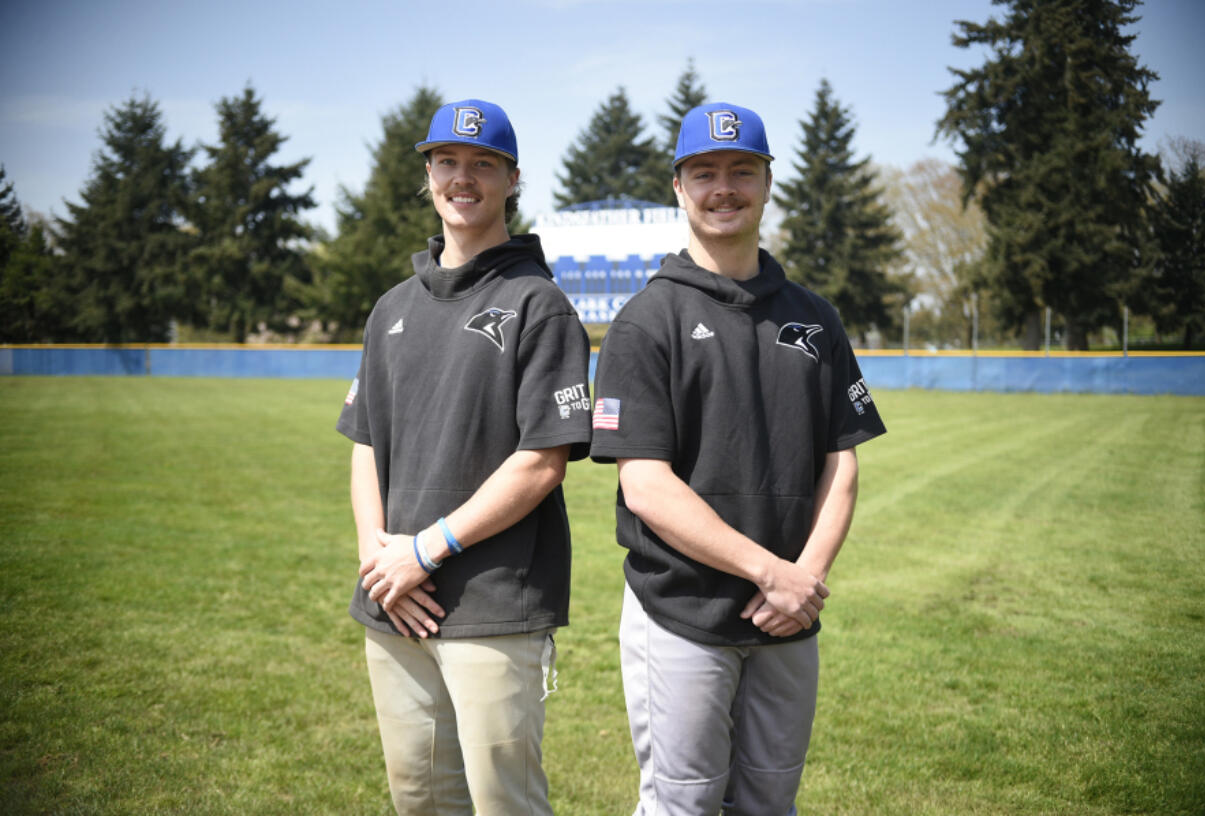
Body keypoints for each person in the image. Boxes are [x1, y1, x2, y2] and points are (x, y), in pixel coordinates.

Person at [589, 102, 887, 815]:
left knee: (769, 804)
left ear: (767, 181)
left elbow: (841, 461)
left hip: (789, 617)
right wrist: (771, 573)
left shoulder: (814, 316)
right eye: (705, 172)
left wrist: (804, 580)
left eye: (742, 171)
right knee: (681, 805)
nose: (724, 188)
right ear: (679, 187)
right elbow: (646, 485)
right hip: (681, 609)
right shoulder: (644, 321)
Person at [336, 98, 592, 816]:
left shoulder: (539, 304)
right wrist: (381, 561)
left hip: (492, 603)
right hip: (395, 602)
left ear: (514, 179)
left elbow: (543, 460)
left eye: (484, 164)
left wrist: (427, 549)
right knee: (418, 801)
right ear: (427, 174)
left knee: (503, 805)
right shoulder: (390, 308)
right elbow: (365, 444)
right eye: (447, 161)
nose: (463, 177)